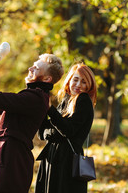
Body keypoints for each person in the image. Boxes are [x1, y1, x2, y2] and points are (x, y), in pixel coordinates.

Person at [0, 53, 64, 193]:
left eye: (36, 68)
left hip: (11, 158)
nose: (30, 68)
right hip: (9, 155)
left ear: (47, 78)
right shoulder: (35, 96)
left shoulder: (35, 97)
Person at [35, 62, 97, 193]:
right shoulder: (66, 101)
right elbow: (43, 134)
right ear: (69, 81)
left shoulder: (83, 100)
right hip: (53, 157)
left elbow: (68, 130)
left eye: (84, 82)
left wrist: (50, 110)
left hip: (67, 161)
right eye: (75, 80)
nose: (79, 85)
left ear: (89, 86)